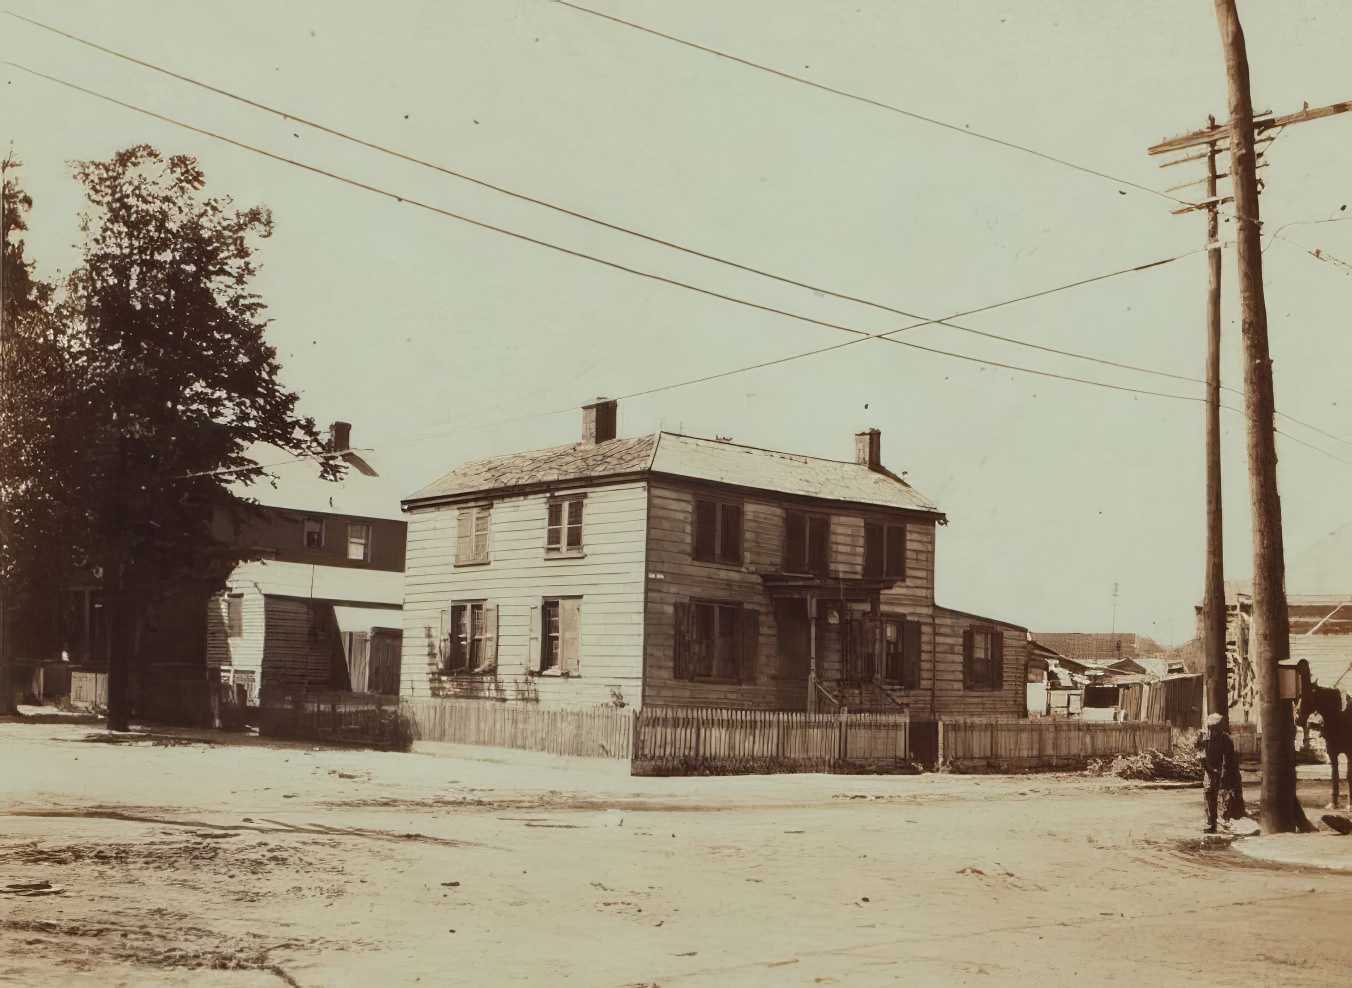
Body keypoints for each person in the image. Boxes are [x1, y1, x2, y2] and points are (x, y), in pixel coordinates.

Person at [1198, 712, 1238, 833]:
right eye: (1211, 728)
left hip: (1221, 769)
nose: (1213, 732)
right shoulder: (1203, 737)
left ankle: (1223, 820)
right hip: (1209, 770)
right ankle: (1211, 822)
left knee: (1225, 795)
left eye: (1216, 729)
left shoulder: (1225, 739)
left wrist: (1224, 771)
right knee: (1209, 793)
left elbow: (1229, 757)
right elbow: (1200, 756)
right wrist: (1211, 770)